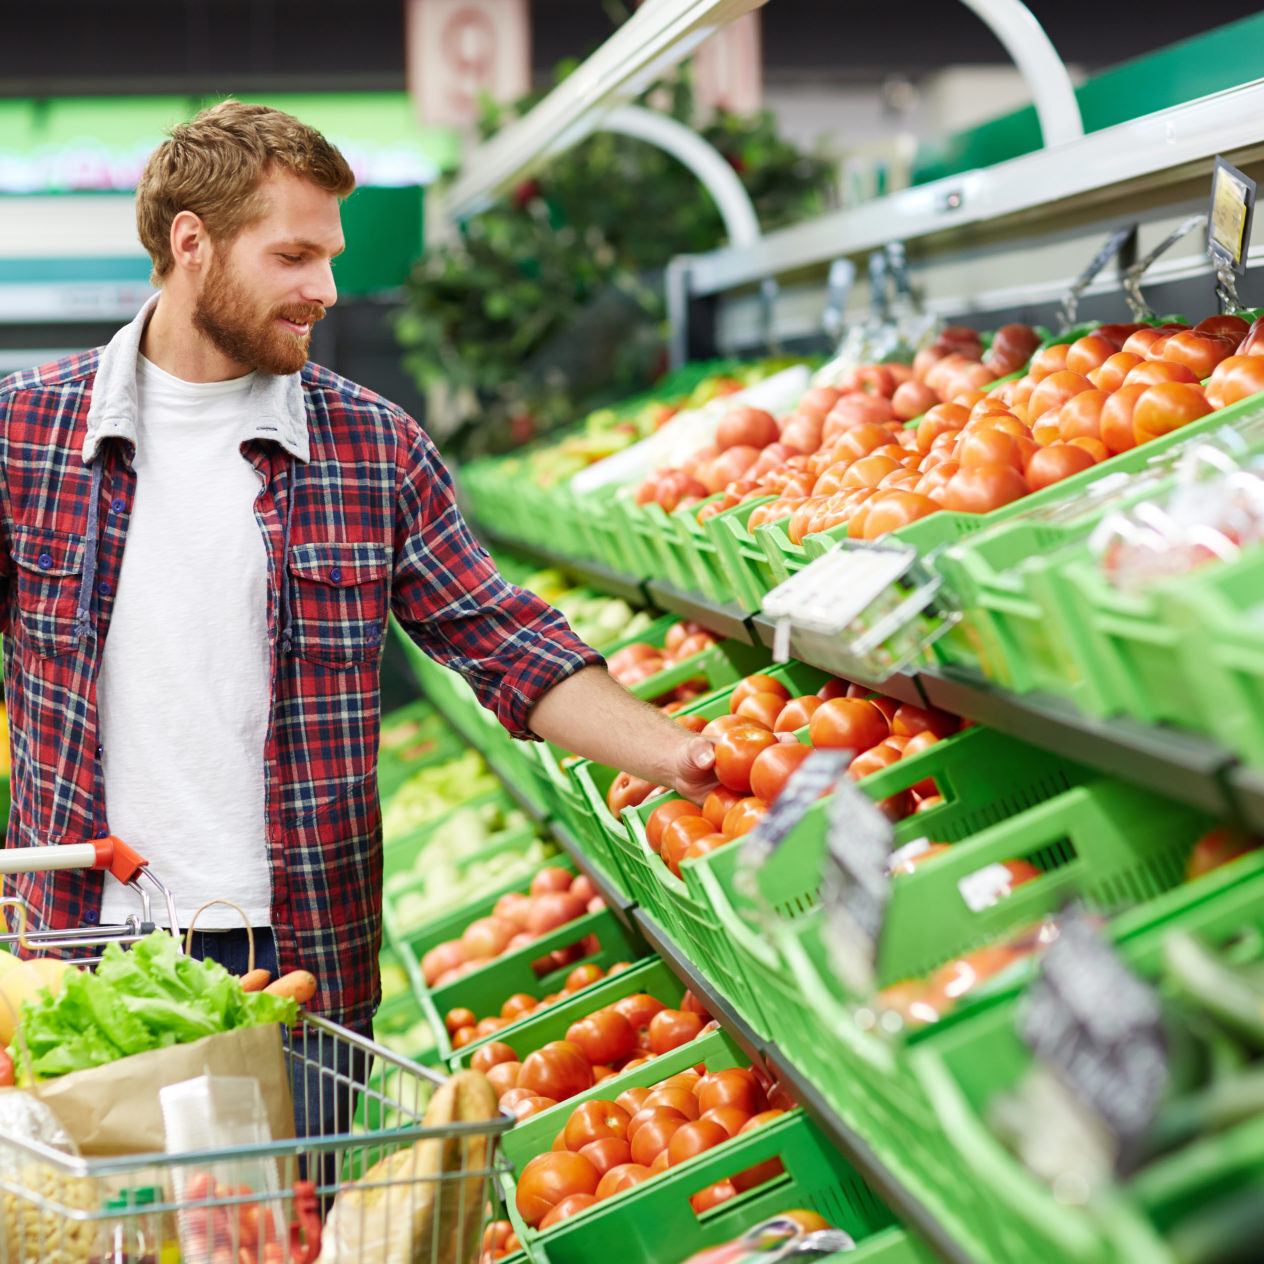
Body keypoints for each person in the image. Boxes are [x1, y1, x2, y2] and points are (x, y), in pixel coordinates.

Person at [0, 100, 718, 1140]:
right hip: (81, 951)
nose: (325, 291)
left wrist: (684, 755)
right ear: (191, 244)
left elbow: (503, 641)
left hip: (295, 965)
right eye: (293, 255)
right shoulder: (28, 435)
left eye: (328, 258)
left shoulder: (370, 446)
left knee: (291, 1230)